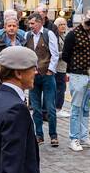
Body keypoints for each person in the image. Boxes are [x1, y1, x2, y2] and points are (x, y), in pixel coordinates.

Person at [60, 10, 90, 152]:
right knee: (76, 107)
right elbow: (65, 55)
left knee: (86, 107)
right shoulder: (73, 34)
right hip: (77, 74)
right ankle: (74, 138)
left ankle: (83, 136)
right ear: (83, 17)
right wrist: (74, 67)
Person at [25, 13, 62, 147]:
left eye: (33, 23)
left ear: (40, 23)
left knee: (50, 107)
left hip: (47, 75)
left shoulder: (48, 34)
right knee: (36, 108)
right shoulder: (27, 36)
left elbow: (54, 53)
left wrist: (50, 70)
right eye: (29, 24)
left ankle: (53, 135)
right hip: (32, 76)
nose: (31, 26)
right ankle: (39, 135)